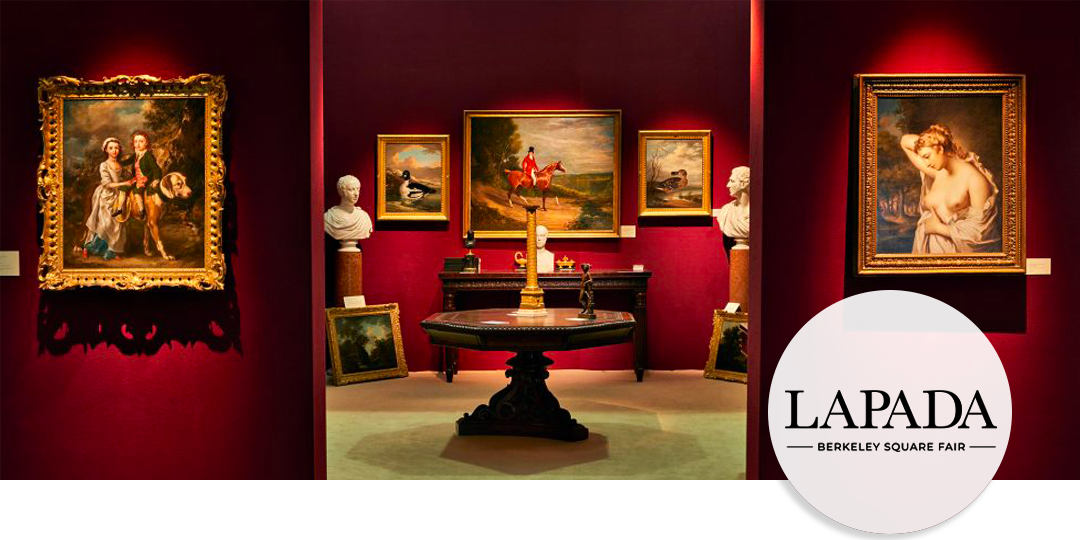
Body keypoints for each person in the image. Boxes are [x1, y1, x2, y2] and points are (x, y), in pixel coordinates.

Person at [900, 124, 999, 253]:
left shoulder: (975, 179)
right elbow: (904, 141)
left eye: (927, 156)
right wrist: (929, 142)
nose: (926, 163)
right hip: (926, 249)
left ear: (940, 149)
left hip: (953, 254)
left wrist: (938, 228)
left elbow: (982, 233)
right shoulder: (937, 171)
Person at [82, 137, 129, 260]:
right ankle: (89, 247)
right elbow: (107, 183)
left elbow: (123, 178)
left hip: (119, 196)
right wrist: (123, 184)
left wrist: (131, 181)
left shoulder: (120, 164)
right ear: (106, 150)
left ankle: (112, 250)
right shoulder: (104, 165)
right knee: (106, 223)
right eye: (111, 148)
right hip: (106, 195)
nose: (114, 150)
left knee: (118, 224)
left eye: (116, 148)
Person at [113, 130, 162, 221]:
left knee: (137, 192)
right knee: (123, 189)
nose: (138, 144)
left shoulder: (148, 156)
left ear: (146, 143)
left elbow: (156, 169)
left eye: (141, 141)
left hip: (145, 179)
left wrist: (156, 179)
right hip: (136, 178)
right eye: (136, 142)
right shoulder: (136, 154)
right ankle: (119, 209)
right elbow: (128, 161)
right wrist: (118, 163)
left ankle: (142, 210)